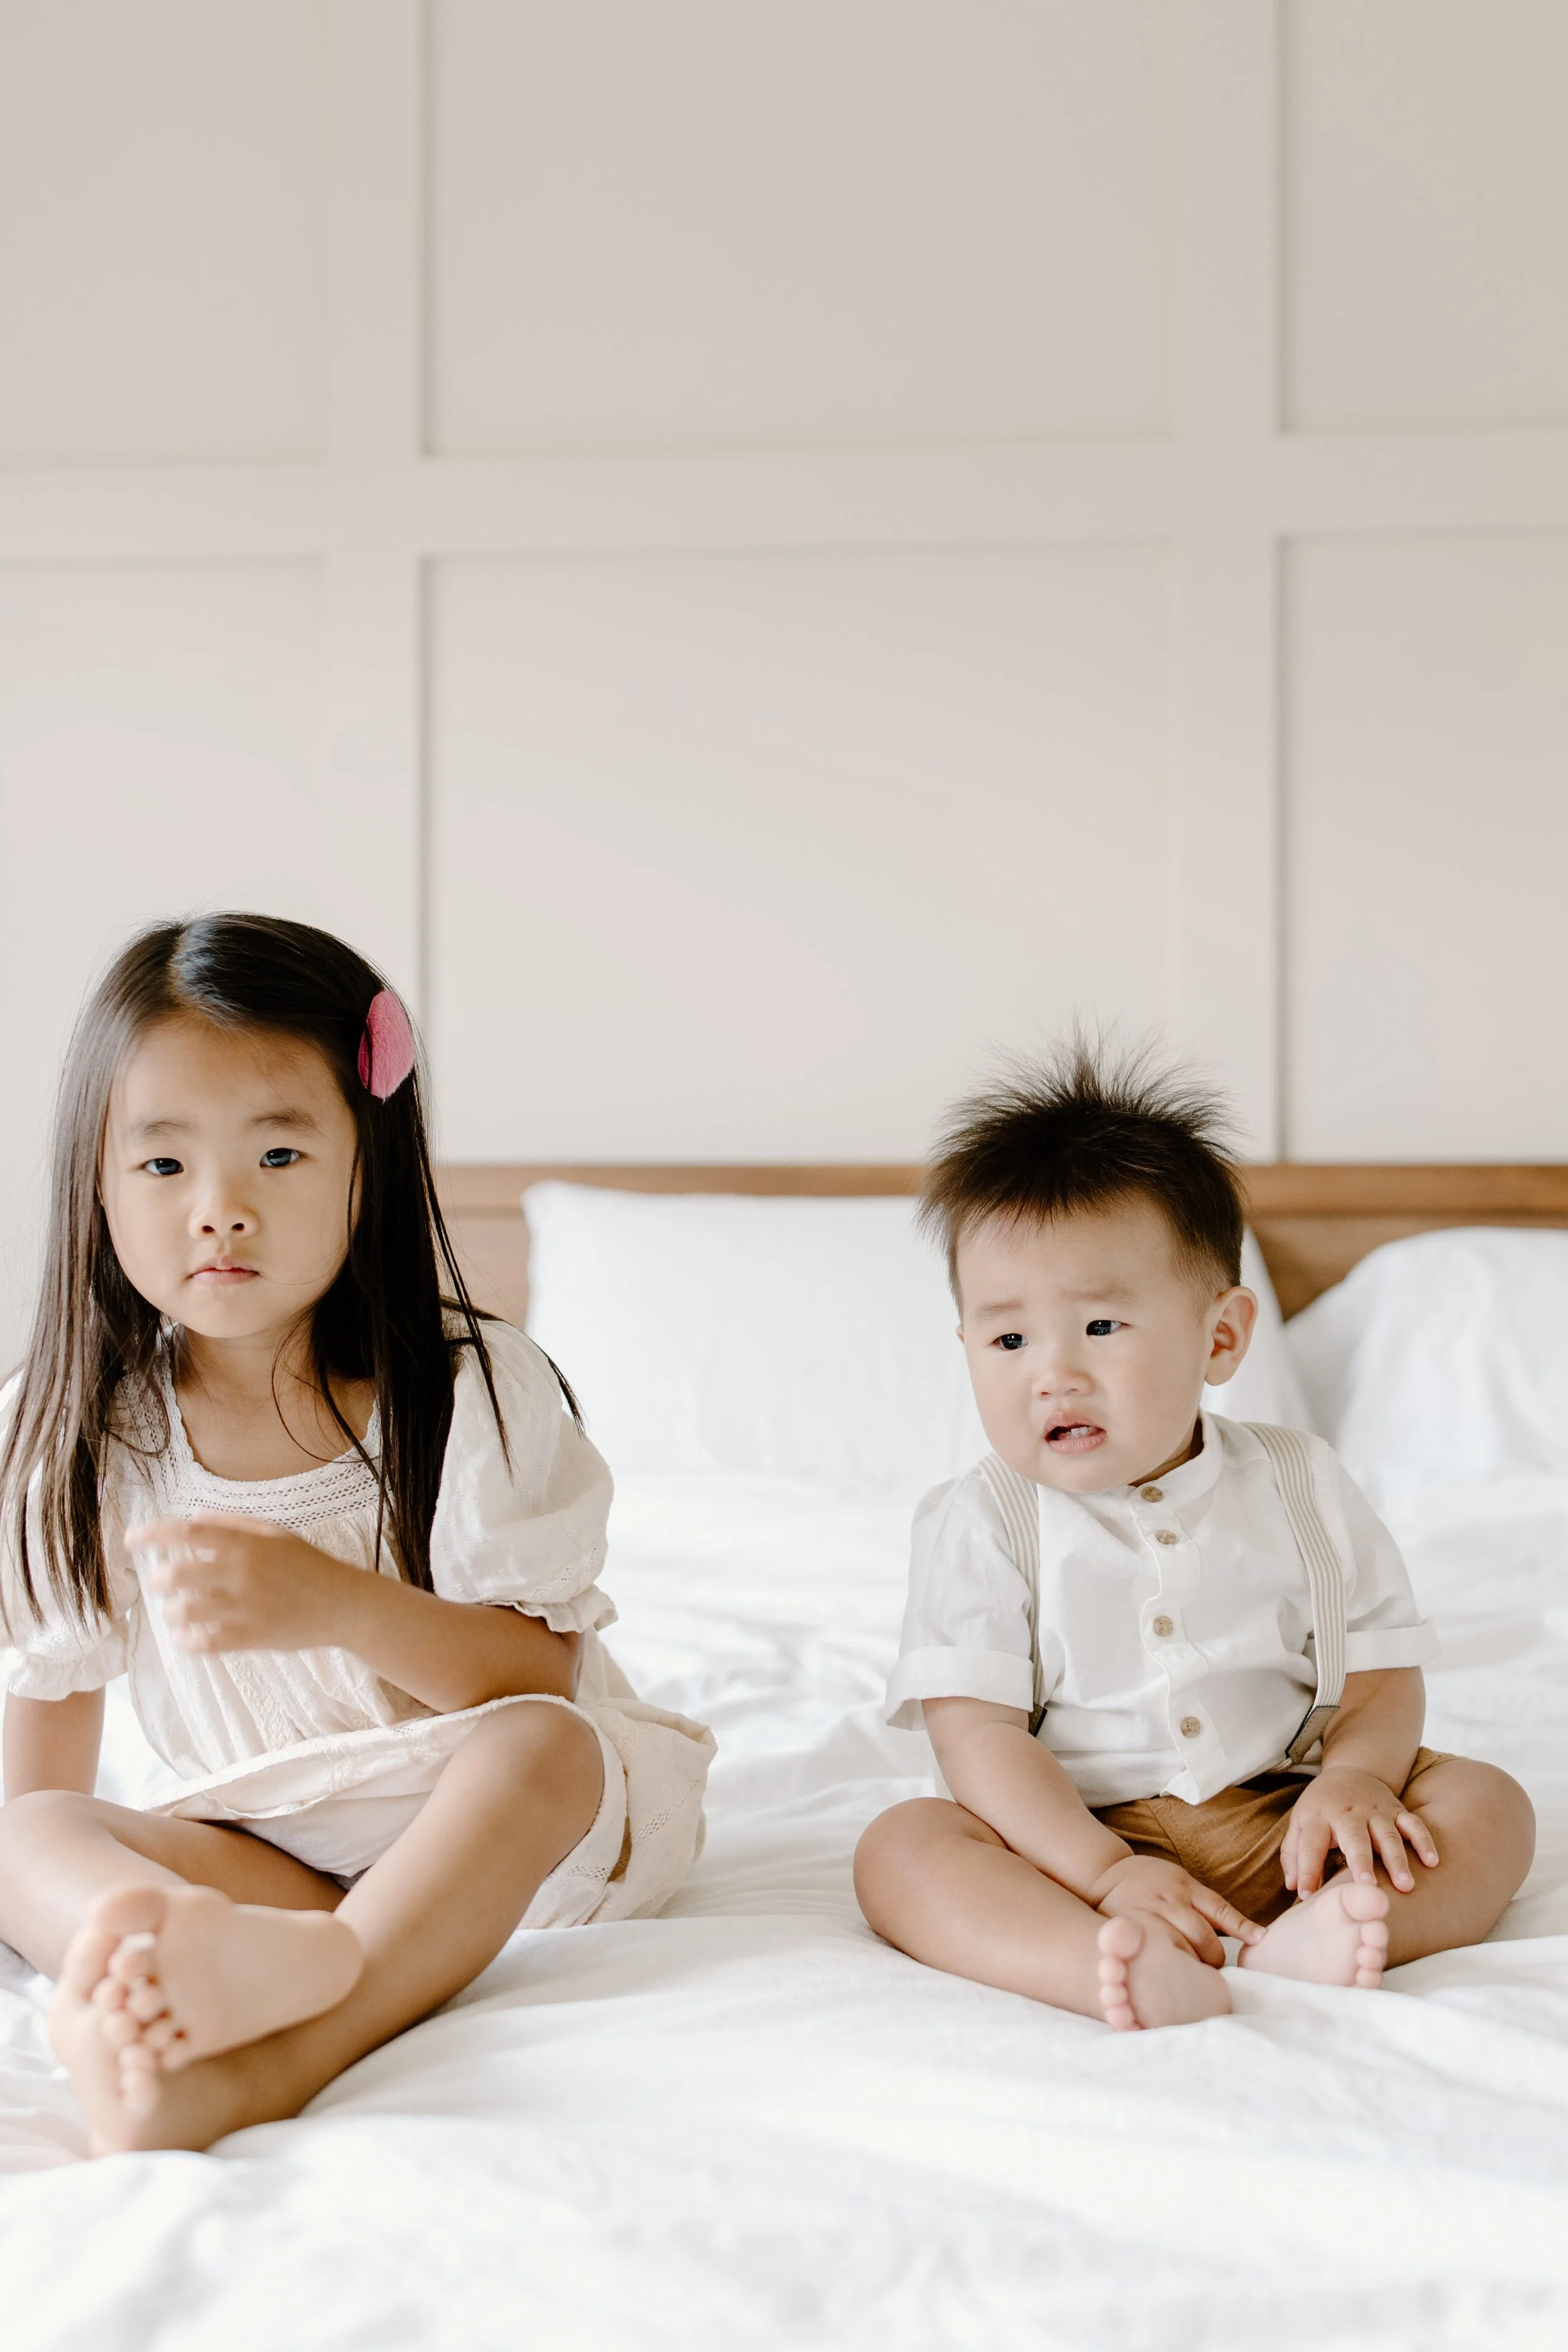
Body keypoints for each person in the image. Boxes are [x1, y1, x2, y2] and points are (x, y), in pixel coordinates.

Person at [0, 914, 713, 2153]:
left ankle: (294, 2042)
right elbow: (46, 1754)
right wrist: (73, 1892)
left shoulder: (469, 1386)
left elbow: (534, 1675)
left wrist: (331, 1605)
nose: (219, 1211)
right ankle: (154, 1982)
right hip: (273, 1846)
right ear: (96, 1182)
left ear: (363, 1168)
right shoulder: (72, 1429)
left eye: (278, 1154)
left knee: (544, 1744)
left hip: (503, 1839)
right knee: (21, 1831)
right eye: (163, 1164)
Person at [854, 1045, 1534, 2031]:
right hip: (1068, 1844)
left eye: (1101, 1326)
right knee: (903, 1846)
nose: (1053, 1372)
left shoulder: (1302, 1482)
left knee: (1488, 1802)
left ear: (1220, 1336)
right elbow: (979, 1737)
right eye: (1008, 1339)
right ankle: (1093, 1959)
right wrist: (1106, 1873)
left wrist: (1354, 1778)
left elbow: (1380, 1673)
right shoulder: (983, 1519)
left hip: (1288, 1816)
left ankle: (1341, 1923)